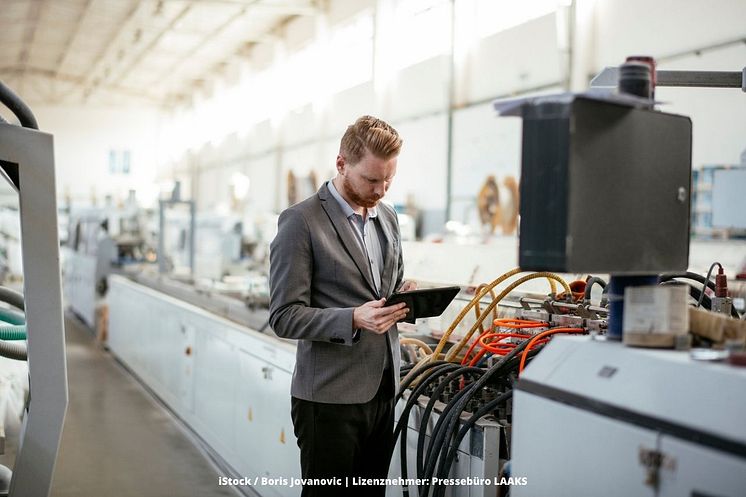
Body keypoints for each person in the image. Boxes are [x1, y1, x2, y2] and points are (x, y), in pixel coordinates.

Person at [269, 115, 415, 497]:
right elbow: (284, 316)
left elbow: (388, 285)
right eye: (371, 180)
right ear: (341, 164)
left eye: (389, 180)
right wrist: (352, 318)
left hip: (382, 391)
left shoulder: (387, 216)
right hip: (328, 400)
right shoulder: (301, 222)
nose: (381, 189)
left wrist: (405, 296)